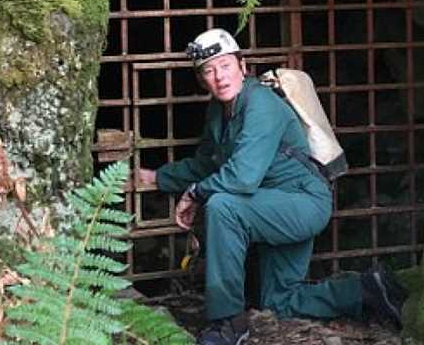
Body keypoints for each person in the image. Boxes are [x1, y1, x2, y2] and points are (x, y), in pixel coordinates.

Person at [136, 28, 407, 345]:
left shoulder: (260, 103)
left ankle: (228, 323)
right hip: (272, 205)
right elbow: (206, 165)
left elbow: (242, 177)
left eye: (225, 65)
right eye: (208, 71)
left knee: (224, 207)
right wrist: (156, 177)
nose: (219, 77)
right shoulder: (219, 112)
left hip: (302, 203)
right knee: (279, 302)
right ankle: (367, 289)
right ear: (202, 80)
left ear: (242, 65)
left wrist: (196, 193)